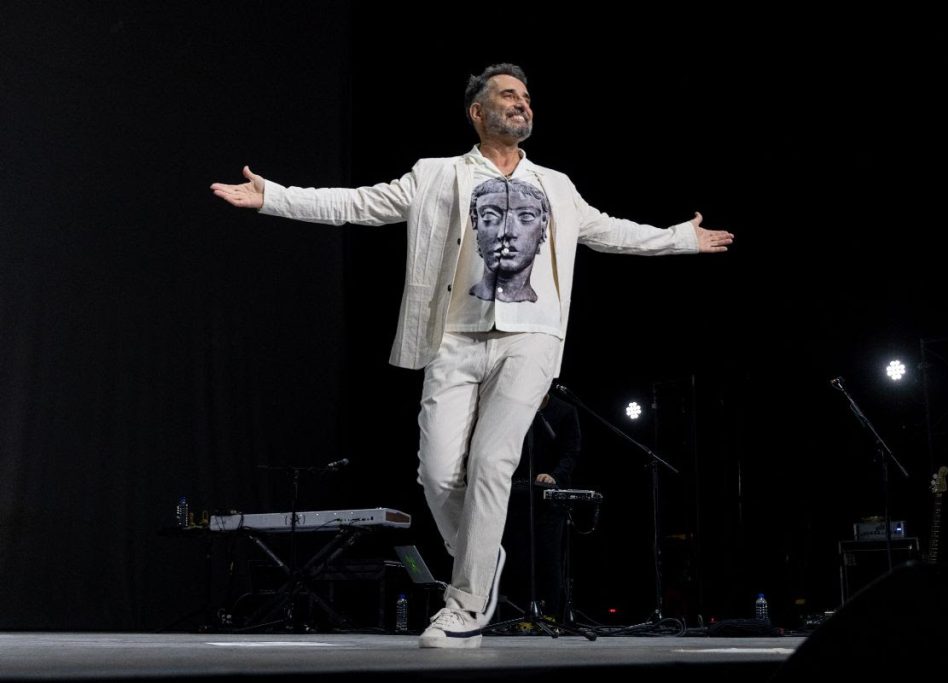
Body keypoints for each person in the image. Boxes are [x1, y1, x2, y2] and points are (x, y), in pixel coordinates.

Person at [210, 63, 733, 649]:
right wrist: (273, 197)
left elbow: (610, 231)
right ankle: (481, 558)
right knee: (435, 473)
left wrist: (680, 239)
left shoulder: (557, 186)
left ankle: (465, 603)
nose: (522, 104)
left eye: (527, 97)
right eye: (508, 96)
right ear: (477, 112)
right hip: (453, 338)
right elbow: (360, 204)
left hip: (530, 338)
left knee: (491, 464)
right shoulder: (435, 175)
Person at [503, 391, 582, 621]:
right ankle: (521, 613)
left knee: (548, 554)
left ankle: (551, 614)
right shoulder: (517, 409)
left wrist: (554, 475)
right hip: (521, 492)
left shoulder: (565, 411)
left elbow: (571, 452)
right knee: (519, 553)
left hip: (550, 494)